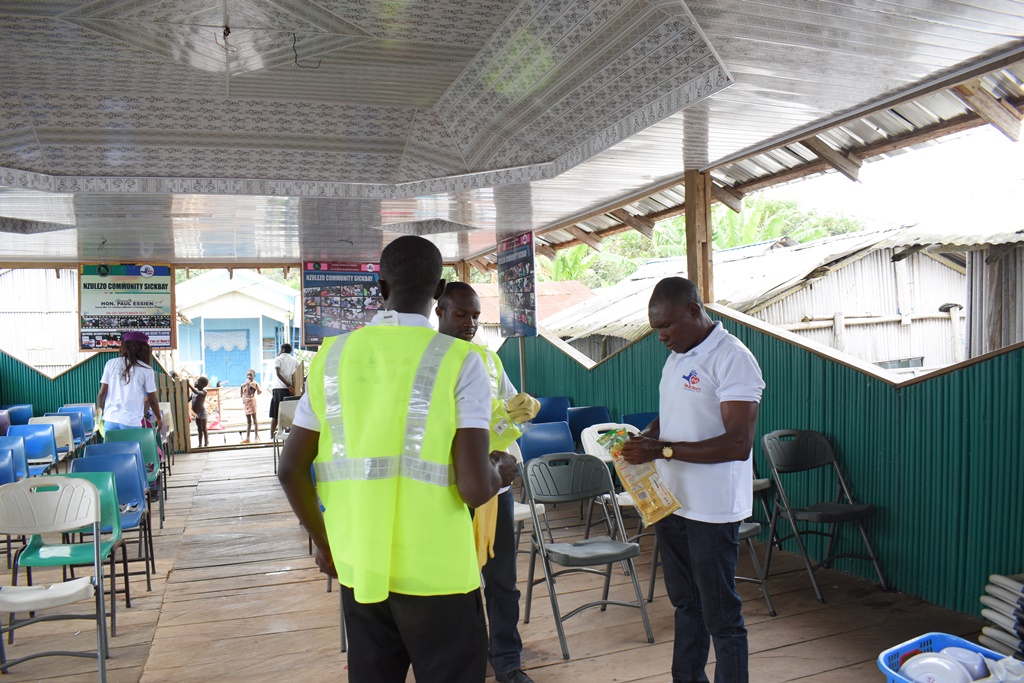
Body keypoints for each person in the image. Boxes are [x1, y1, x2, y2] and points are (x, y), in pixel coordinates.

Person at [278, 235, 518, 683]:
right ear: (440, 290)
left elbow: (290, 469)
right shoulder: (461, 360)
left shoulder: (331, 358)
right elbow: (473, 486)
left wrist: (328, 543)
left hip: (360, 565)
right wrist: (501, 471)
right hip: (439, 572)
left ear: (381, 287)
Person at [620, 276, 764, 683]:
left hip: (712, 508)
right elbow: (674, 415)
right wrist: (648, 435)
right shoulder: (677, 355)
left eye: (666, 325)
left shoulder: (732, 357)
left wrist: (661, 450)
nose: (662, 336)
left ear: (693, 310)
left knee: (721, 612)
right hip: (672, 501)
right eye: (655, 330)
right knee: (686, 604)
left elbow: (737, 443)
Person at [435, 282, 540, 683]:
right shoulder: (432, 361)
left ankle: (507, 660)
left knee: (502, 580)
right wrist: (499, 420)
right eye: (462, 315)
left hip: (495, 485)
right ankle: (464, 658)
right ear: (440, 311)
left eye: (476, 316)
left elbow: (513, 408)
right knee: (454, 581)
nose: (470, 324)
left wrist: (525, 408)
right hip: (453, 489)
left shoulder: (490, 360)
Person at [96, 330, 163, 434]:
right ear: (144, 349)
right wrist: (159, 417)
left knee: (111, 450)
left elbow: (102, 393)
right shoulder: (146, 370)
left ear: (125, 347)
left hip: (110, 419)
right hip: (131, 421)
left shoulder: (110, 364)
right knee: (133, 450)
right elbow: (152, 399)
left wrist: (99, 411)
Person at [269, 343, 298, 438]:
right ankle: (289, 435)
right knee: (289, 413)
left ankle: (272, 436)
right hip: (289, 391)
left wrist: (288, 385)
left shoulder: (278, 359)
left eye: (279, 349)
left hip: (279, 389)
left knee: (276, 413)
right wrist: (292, 386)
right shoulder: (295, 361)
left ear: (283, 350)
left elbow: (278, 373)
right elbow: (296, 376)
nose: (279, 351)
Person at [187, 376, 210, 448]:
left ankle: (206, 442)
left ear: (203, 384)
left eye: (198, 381)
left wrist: (189, 385)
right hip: (197, 413)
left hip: (203, 412)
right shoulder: (193, 393)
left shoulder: (204, 392)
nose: (195, 382)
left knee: (204, 428)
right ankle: (200, 444)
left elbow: (196, 391)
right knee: (199, 429)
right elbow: (188, 400)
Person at [241, 369, 262, 442]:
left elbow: (250, 393)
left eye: (251, 375)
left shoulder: (254, 384)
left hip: (252, 403)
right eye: (248, 375)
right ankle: (247, 438)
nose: (249, 376)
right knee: (248, 421)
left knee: (255, 420)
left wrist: (247, 384)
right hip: (246, 403)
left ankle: (256, 437)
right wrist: (243, 386)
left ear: (254, 376)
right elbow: (243, 394)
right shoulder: (245, 384)